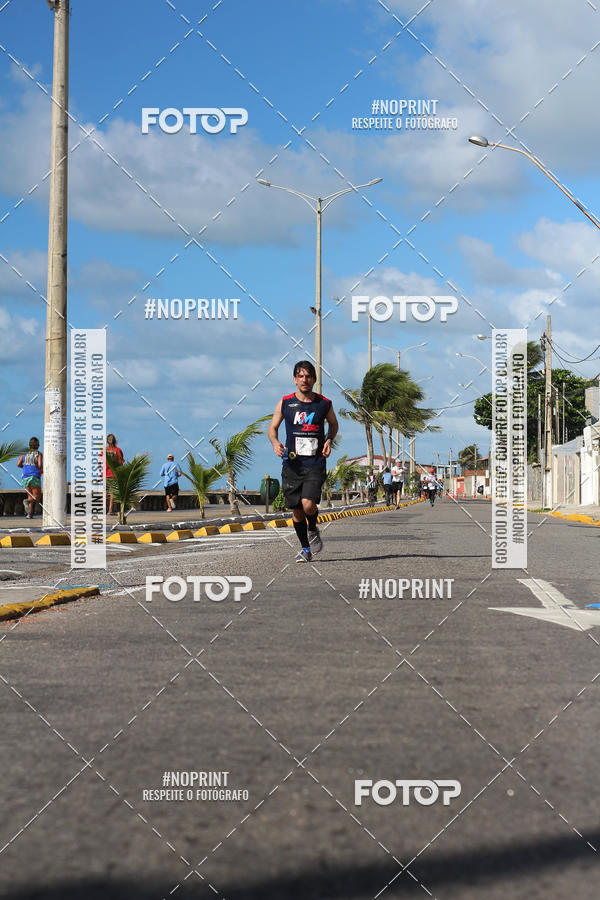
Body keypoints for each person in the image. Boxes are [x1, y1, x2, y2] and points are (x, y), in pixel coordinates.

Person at [268, 360, 338, 562]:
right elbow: (272, 428)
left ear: (314, 379)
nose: (304, 380)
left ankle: (313, 527)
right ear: (294, 379)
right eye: (300, 376)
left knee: (308, 505)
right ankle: (305, 549)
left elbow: (333, 424)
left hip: (315, 464)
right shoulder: (285, 403)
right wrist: (275, 443)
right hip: (292, 464)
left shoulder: (324, 404)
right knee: (297, 510)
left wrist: (329, 440)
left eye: (308, 376)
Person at [17, 437, 43, 518]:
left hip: (25, 477)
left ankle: (29, 514)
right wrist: (42, 470)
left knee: (30, 495)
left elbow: (18, 464)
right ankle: (27, 501)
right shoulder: (38, 454)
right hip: (34, 476)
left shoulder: (24, 453)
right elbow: (39, 465)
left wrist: (25, 467)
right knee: (36, 497)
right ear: (38, 445)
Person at [103, 433, 124, 516]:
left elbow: (99, 462)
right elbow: (121, 463)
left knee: (105, 492)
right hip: (114, 474)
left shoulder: (104, 450)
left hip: (105, 474)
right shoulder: (117, 450)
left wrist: (101, 472)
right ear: (115, 441)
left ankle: (104, 509)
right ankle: (110, 510)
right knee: (112, 493)